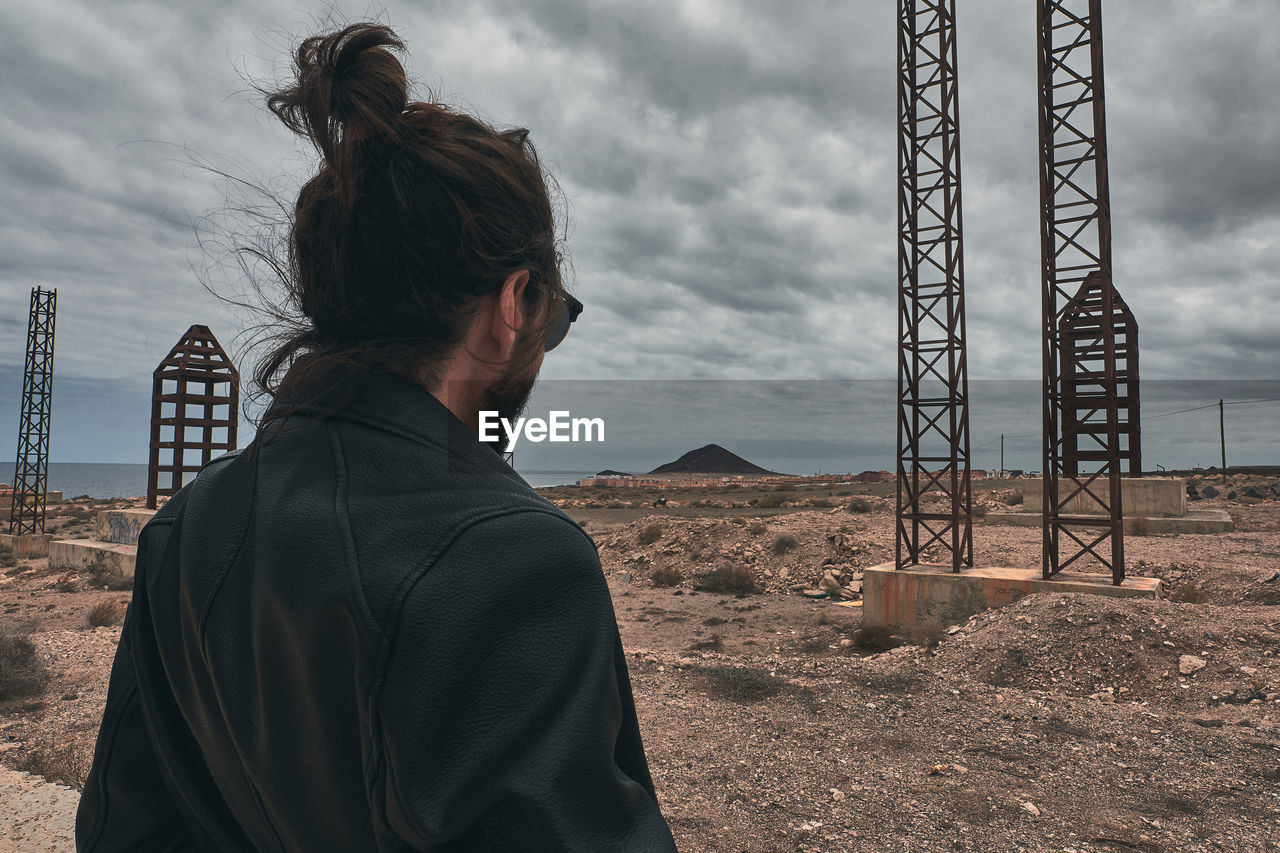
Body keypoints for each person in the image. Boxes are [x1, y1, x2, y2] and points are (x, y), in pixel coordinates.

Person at [76, 22, 677, 852]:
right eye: (552, 320)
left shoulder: (187, 527)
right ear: (510, 308)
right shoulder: (517, 560)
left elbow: (126, 829)